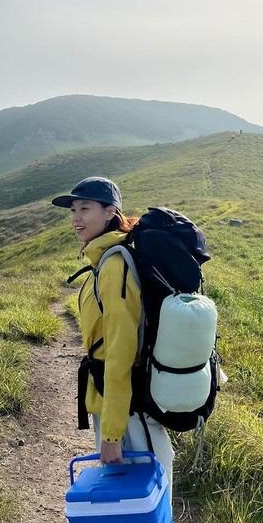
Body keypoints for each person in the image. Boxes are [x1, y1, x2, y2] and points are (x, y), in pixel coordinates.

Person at [52, 176, 175, 499]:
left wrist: (112, 433)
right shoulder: (104, 261)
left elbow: (121, 350)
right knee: (131, 507)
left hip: (129, 410)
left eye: (85, 208)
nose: (76, 218)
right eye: (73, 210)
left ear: (110, 212)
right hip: (116, 404)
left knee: (147, 506)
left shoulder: (114, 266)